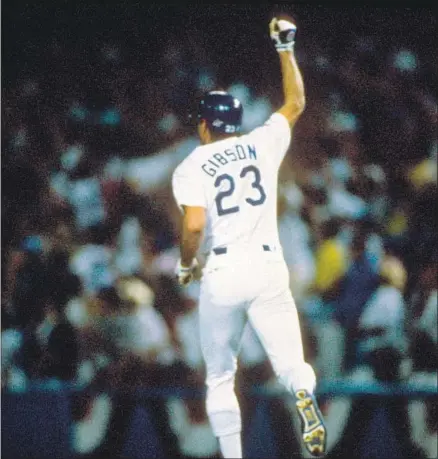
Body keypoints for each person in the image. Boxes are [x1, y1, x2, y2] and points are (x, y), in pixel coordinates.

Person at [171, 16, 326, 458]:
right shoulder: (260, 143)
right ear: (235, 123)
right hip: (267, 266)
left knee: (221, 377)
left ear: (204, 125)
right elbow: (296, 101)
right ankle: (302, 392)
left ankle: (233, 456)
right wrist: (285, 47)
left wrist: (186, 264)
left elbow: (195, 226)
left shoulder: (192, 165)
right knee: (293, 364)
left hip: (222, 270)